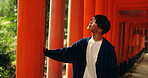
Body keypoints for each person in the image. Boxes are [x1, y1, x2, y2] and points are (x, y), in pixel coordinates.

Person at [44, 15, 117, 78]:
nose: (90, 22)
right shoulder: (82, 44)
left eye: (94, 21)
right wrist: (47, 52)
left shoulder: (108, 49)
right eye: (91, 20)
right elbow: (66, 53)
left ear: (100, 29)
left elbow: (112, 71)